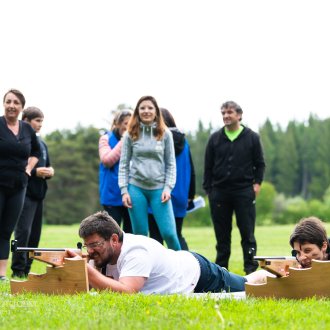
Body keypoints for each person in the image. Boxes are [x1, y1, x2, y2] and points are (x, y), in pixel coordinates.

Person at [67, 211, 269, 294]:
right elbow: (87, 289)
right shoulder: (105, 254)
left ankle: (273, 273)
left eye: (95, 245)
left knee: (247, 285)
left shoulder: (136, 251)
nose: (90, 251)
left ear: (113, 239)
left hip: (198, 275)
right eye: (87, 246)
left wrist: (87, 271)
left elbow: (127, 292)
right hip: (183, 267)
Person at [203, 101, 265, 274]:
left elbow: (260, 164)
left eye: (229, 112)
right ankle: (221, 271)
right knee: (222, 237)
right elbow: (207, 167)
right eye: (223, 113)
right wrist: (209, 191)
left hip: (244, 191)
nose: (226, 116)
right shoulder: (215, 139)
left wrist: (257, 184)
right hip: (219, 193)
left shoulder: (252, 137)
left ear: (239, 115)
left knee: (248, 234)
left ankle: (251, 270)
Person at [118, 96, 181, 251]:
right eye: (143, 108)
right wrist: (124, 191)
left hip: (159, 190)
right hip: (136, 188)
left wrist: (168, 188)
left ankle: (184, 269)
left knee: (169, 234)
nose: (146, 111)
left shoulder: (165, 134)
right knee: (140, 235)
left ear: (156, 111)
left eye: (150, 108)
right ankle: (144, 271)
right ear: (138, 112)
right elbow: (124, 164)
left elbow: (171, 164)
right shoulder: (130, 134)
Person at [0, 90, 40, 281]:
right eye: (8, 101)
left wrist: (28, 169)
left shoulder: (27, 129)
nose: (11, 105)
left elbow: (36, 151)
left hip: (19, 187)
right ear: (3, 104)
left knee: (6, 231)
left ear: (21, 107)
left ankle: (1, 275)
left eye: (16, 102)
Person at [11, 107, 54, 278]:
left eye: (42, 121)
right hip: (24, 193)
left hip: (39, 195)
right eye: (37, 120)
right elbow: (15, 166)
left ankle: (27, 270)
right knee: (23, 233)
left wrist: (50, 172)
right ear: (26, 120)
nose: (40, 125)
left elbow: (48, 165)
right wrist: (35, 172)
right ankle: (18, 270)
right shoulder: (19, 142)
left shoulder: (41, 143)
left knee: (35, 236)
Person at [148, 108, 195, 250]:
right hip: (180, 194)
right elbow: (191, 169)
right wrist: (190, 195)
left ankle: (159, 270)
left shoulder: (156, 141)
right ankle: (187, 266)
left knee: (156, 237)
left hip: (158, 193)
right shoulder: (183, 141)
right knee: (177, 235)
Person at [99, 109, 133, 233]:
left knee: (130, 233)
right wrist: (124, 141)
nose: (129, 127)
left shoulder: (137, 140)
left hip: (132, 193)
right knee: (113, 233)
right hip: (111, 194)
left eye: (131, 123)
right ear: (118, 124)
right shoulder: (106, 139)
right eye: (125, 123)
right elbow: (107, 160)